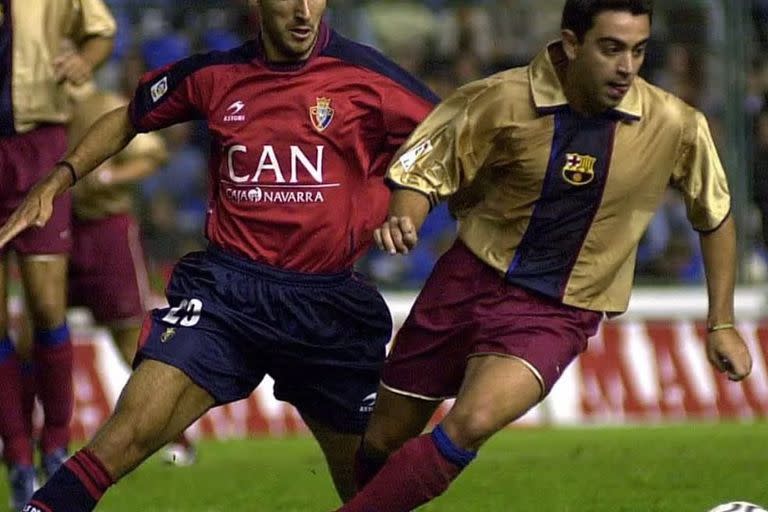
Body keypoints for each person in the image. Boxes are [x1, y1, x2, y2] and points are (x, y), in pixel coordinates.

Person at [0, 0, 438, 510]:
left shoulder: (367, 76)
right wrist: (57, 180)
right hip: (226, 298)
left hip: (325, 306)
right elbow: (129, 116)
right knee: (119, 441)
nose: (302, 11)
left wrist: (410, 205)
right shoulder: (216, 74)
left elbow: (444, 135)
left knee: (369, 489)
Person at [338, 1, 754, 511]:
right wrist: (408, 213)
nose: (627, 66)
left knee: (471, 422)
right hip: (465, 282)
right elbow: (423, 168)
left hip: (559, 310)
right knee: (382, 440)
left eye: (638, 51)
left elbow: (715, 216)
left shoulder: (676, 125)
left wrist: (722, 322)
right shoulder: (501, 98)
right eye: (611, 48)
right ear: (572, 42)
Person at [0, 2, 116, 509]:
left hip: (38, 148)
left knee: (48, 306)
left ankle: (57, 443)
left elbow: (102, 32)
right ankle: (18, 458)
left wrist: (86, 60)